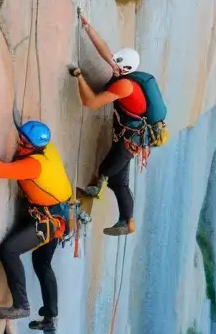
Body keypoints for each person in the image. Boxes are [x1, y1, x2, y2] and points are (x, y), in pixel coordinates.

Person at [0, 114, 72, 334]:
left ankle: (22, 305)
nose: (19, 141)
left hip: (49, 220)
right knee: (42, 262)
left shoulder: (32, 165)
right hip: (61, 213)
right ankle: (50, 317)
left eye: (22, 139)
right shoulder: (47, 149)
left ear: (29, 144)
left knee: (8, 251)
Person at [70, 12, 167, 237]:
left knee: (106, 173)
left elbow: (91, 102)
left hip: (130, 141)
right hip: (129, 136)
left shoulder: (125, 86)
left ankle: (97, 197)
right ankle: (127, 221)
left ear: (124, 69)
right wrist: (87, 27)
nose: (112, 63)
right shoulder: (128, 73)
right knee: (118, 182)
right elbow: (105, 51)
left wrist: (78, 76)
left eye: (116, 63)